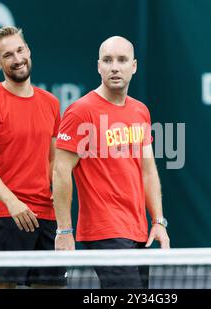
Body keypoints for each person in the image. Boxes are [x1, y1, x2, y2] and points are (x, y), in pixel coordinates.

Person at [53, 36, 170, 289]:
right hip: (105, 230)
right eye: (107, 60)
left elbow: (147, 170)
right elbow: (61, 172)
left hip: (138, 230)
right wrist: (64, 231)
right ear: (98, 66)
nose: (114, 67)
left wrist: (158, 221)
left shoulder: (140, 111)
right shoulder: (80, 111)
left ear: (134, 66)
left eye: (121, 60)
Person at [0, 26, 66, 289]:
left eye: (20, 50)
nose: (17, 59)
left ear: (28, 50)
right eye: (8, 55)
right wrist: (13, 203)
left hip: (45, 217)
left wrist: (56, 190)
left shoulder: (51, 103)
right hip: (4, 215)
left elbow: (53, 158)